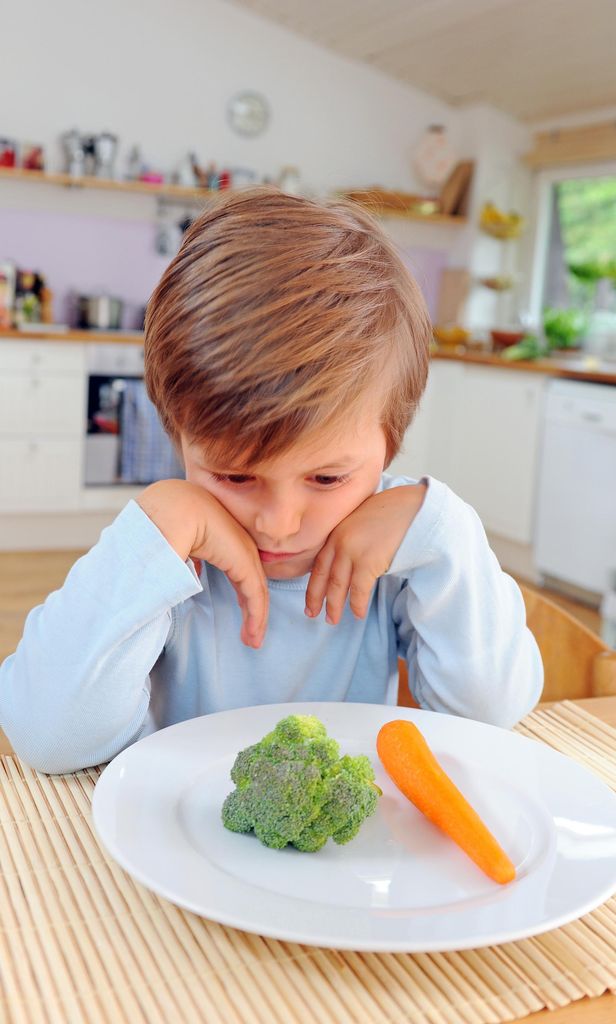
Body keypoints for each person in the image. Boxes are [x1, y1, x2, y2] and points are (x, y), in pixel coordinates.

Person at [0, 189, 543, 774]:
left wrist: (442, 529)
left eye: (328, 477)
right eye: (235, 474)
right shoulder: (172, 552)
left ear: (392, 442)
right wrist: (153, 534)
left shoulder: (401, 552)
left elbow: (488, 719)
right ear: (178, 435)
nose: (279, 524)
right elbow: (46, 738)